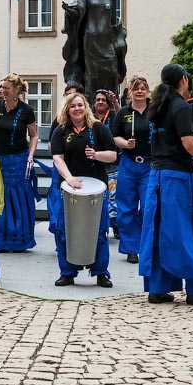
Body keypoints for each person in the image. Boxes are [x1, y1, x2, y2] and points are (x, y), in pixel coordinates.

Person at [140, 63, 193, 305]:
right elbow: (188, 142)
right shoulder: (180, 106)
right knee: (190, 229)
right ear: (183, 80)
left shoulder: (155, 107)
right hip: (178, 178)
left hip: (156, 177)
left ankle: (158, 288)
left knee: (158, 230)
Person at [49, 92, 118, 287]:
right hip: (70, 188)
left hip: (97, 187)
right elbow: (57, 158)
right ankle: (67, 272)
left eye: (80, 105)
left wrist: (96, 155)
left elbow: (113, 155)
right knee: (64, 230)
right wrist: (69, 178)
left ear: (85, 107)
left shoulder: (98, 128)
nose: (77, 109)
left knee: (99, 230)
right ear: (67, 110)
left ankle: (101, 272)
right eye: (73, 106)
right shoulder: (61, 131)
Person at [0, 74, 38, 252]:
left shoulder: (26, 110)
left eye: (7, 88)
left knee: (19, 198)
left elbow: (34, 135)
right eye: (2, 87)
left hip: (19, 158)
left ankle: (20, 238)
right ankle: (1, 238)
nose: (3, 90)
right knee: (0, 196)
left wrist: (30, 156)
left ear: (16, 90)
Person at [113, 75, 152, 264]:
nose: (140, 91)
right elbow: (115, 137)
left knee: (147, 207)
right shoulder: (123, 113)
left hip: (150, 165)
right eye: (136, 88)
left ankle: (146, 245)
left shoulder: (156, 110)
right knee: (126, 207)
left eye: (143, 88)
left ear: (147, 91)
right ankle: (131, 248)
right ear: (130, 92)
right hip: (128, 163)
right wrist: (125, 144)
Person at [92, 88, 120, 238]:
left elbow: (123, 117)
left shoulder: (114, 116)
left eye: (103, 100)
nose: (100, 102)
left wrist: (116, 102)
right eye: (98, 100)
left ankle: (116, 227)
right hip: (95, 164)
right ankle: (99, 227)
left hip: (112, 164)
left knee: (114, 198)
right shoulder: (89, 118)